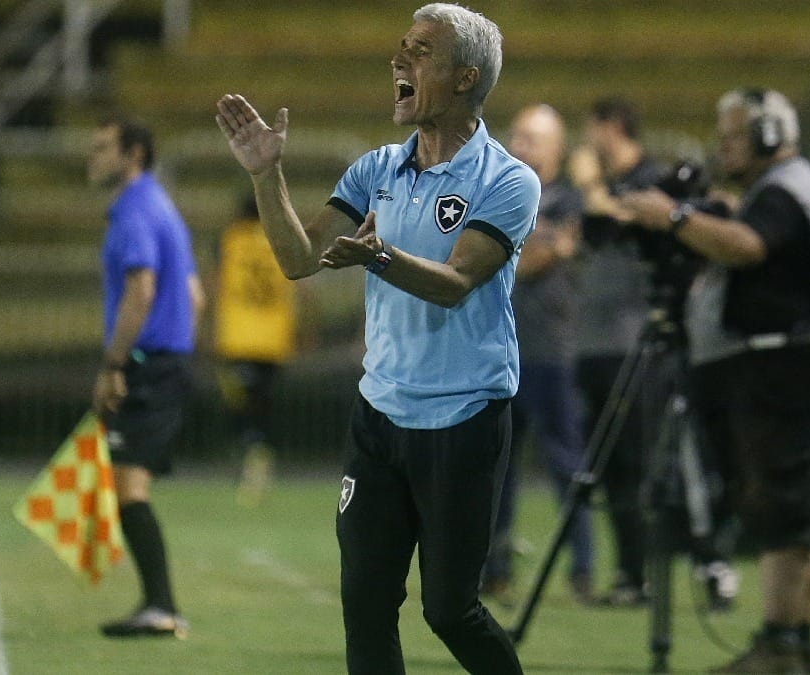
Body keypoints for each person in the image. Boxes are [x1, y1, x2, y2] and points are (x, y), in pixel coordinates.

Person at [217, 4, 536, 672]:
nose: (398, 59)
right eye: (400, 47)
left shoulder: (507, 181)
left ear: (462, 77)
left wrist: (379, 256)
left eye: (419, 50)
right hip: (380, 415)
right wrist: (263, 174)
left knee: (450, 610)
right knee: (365, 606)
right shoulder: (376, 170)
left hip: (464, 415)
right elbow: (299, 258)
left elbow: (455, 281)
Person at [618, 87, 810, 674]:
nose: (723, 148)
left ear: (770, 136)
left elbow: (747, 248)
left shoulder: (784, 192)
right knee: (787, 510)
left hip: (786, 372)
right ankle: (789, 643)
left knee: (784, 510)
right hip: (788, 371)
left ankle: (781, 645)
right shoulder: (787, 189)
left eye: (732, 136)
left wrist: (672, 218)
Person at [88, 115, 205, 639]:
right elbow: (196, 297)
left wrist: (115, 365)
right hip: (167, 361)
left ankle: (161, 606)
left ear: (133, 154)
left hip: (147, 363)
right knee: (125, 485)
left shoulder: (134, 210)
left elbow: (141, 292)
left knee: (129, 488)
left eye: (102, 148)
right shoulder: (163, 206)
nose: (92, 158)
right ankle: (158, 604)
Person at [482, 103, 593, 606]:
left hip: (552, 353)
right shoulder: (502, 194)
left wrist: (509, 255)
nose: (520, 145)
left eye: (532, 137)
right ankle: (494, 570)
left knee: (567, 465)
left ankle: (583, 570)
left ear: (556, 148)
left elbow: (514, 262)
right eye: (518, 134)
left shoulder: (570, 200)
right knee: (496, 470)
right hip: (500, 353)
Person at [567, 97, 663, 606]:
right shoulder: (601, 191)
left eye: (591, 131)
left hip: (634, 344)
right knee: (610, 469)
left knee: (637, 462)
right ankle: (630, 575)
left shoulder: (650, 180)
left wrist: (587, 184)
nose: (587, 144)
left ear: (611, 128)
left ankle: (658, 572)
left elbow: (625, 218)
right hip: (594, 345)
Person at [213, 191, 299, 506]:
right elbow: (306, 287)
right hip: (275, 340)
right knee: (261, 404)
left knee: (238, 407)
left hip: (237, 338)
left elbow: (214, 282)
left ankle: (253, 455)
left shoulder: (230, 239)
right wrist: (307, 330)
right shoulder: (280, 239)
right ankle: (257, 458)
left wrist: (203, 327)